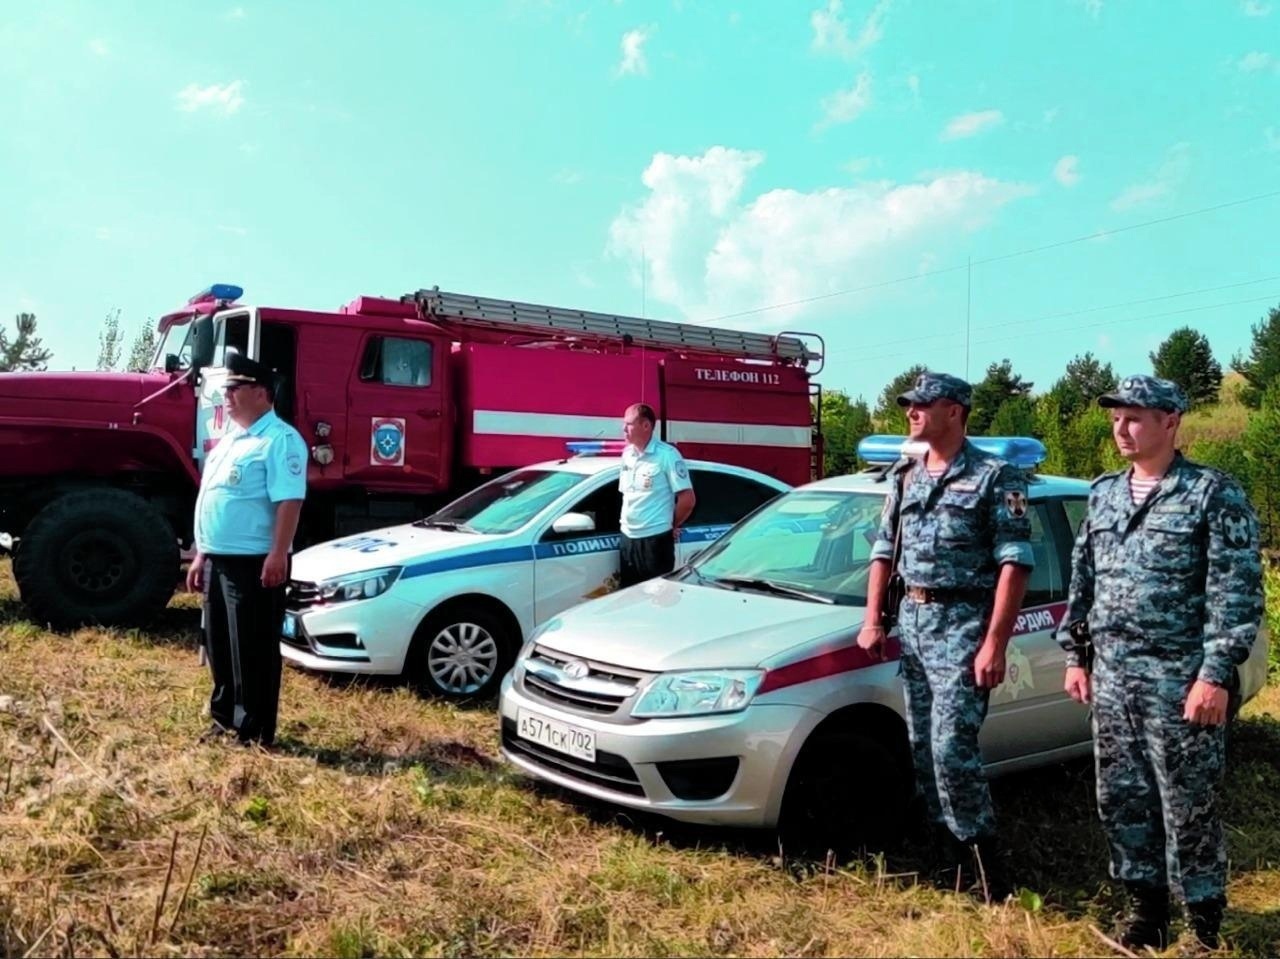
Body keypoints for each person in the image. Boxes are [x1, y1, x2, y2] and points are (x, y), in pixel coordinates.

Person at [1058, 374, 1262, 950]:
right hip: (1115, 677)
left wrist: (1215, 675)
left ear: (1171, 422)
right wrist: (1078, 655)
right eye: (1116, 418)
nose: (1122, 428)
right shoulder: (1102, 494)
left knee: (1187, 803)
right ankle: (1145, 914)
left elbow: (1237, 593)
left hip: (1180, 679)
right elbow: (1084, 582)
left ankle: (1204, 923)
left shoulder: (1210, 493)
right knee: (1122, 798)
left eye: (1136, 417)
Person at [857, 371, 1033, 900]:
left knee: (953, 748)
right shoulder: (905, 474)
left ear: (954, 411)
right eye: (908, 404)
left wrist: (995, 643)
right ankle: (945, 856)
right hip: (913, 622)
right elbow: (883, 549)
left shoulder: (995, 477)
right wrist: (873, 619)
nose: (911, 412)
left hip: (963, 625)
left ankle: (983, 864)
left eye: (922, 404)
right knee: (922, 747)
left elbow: (1015, 562)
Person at [186, 349, 308, 747]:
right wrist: (202, 552)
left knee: (251, 649)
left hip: (254, 562)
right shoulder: (232, 441)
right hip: (219, 560)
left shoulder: (280, 440)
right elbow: (215, 498)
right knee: (221, 647)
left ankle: (253, 730)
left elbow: (289, 501)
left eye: (234, 389)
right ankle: (224, 719)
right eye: (225, 389)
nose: (227, 396)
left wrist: (279, 553)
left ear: (260, 392)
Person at [618, 403, 696, 588]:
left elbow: (687, 500)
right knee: (629, 601)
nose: (623, 429)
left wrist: (671, 525)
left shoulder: (667, 455)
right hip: (628, 538)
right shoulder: (627, 454)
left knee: (656, 600)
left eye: (628, 424)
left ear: (646, 426)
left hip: (655, 540)